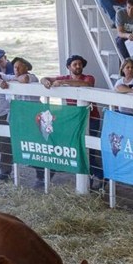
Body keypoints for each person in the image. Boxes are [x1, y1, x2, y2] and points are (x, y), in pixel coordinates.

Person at [41, 55, 101, 189]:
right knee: (78, 150)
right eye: (75, 64)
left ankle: (97, 179)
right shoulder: (65, 78)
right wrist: (45, 81)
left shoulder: (88, 78)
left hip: (90, 119)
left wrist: (62, 83)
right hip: (75, 120)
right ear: (69, 67)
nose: (78, 66)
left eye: (80, 64)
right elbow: (45, 79)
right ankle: (91, 181)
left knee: (89, 152)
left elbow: (86, 84)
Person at [0, 56, 38, 181]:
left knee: (34, 145)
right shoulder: (12, 77)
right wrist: (0, 81)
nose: (16, 69)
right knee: (10, 145)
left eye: (19, 66)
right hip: (17, 117)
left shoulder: (32, 77)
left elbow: (25, 79)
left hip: (31, 118)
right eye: (14, 67)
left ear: (27, 67)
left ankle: (41, 176)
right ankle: (6, 172)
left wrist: (11, 79)